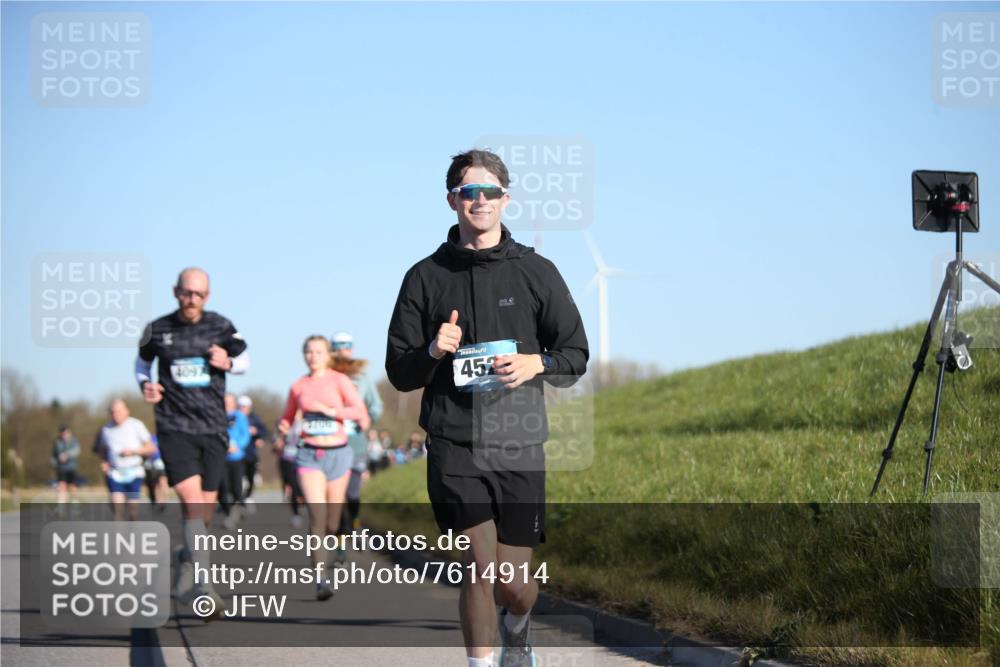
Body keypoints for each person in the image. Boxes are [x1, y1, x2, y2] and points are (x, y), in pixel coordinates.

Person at [386, 149, 588, 667]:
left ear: (506, 199)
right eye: (468, 192)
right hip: (454, 442)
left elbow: (575, 354)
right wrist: (433, 350)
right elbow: (400, 372)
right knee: (480, 567)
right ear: (451, 199)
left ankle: (517, 628)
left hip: (519, 439)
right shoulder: (424, 277)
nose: (480, 200)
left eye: (490, 191)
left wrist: (536, 363)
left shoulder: (536, 271)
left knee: (514, 584)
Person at [135, 267, 249, 620]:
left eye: (198, 294)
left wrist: (229, 362)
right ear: (176, 292)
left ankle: (187, 557)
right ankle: (204, 585)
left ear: (207, 296)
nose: (192, 299)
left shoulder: (221, 325)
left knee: (206, 511)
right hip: (174, 427)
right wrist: (145, 386)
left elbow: (245, 360)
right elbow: (142, 364)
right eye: (186, 293)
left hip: (212, 426)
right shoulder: (157, 329)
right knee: (192, 503)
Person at [278, 335, 369, 601]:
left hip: (338, 454)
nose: (313, 356)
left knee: (332, 522)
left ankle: (335, 545)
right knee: (317, 517)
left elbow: (358, 411)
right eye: (308, 352)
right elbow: (287, 417)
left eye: (318, 352)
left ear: (328, 355)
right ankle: (320, 579)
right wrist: (283, 427)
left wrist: (332, 412)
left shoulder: (339, 381)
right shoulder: (298, 386)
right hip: (309, 455)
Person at [330, 331, 384, 560]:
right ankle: (340, 543)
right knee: (337, 497)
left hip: (356, 443)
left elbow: (376, 405)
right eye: (337, 347)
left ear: (352, 349)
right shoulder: (326, 375)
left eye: (346, 346)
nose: (342, 351)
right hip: (331, 443)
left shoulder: (362, 376)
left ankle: (355, 522)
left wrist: (367, 419)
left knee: (352, 494)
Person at [97, 399, 156, 521]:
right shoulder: (106, 429)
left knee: (133, 510)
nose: (115, 415)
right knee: (117, 508)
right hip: (115, 472)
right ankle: (120, 531)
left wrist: (133, 452)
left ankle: (133, 528)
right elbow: (103, 449)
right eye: (113, 412)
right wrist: (104, 462)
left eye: (118, 412)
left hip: (134, 471)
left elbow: (151, 448)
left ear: (127, 411)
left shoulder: (137, 425)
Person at [220, 393, 251, 530]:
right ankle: (228, 513)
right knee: (223, 487)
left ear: (234, 403)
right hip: (221, 457)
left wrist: (236, 446)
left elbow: (245, 435)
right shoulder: (217, 415)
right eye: (225, 401)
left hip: (236, 457)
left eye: (229, 401)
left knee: (236, 488)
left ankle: (237, 509)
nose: (227, 404)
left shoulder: (240, 416)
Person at [237, 395, 268, 512]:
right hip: (237, 454)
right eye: (242, 406)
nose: (244, 409)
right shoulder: (234, 417)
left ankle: (248, 497)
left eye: (246, 407)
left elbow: (264, 431)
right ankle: (237, 499)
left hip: (250, 453)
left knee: (251, 477)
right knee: (237, 478)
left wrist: (258, 435)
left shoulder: (254, 418)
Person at [50, 425, 80, 510]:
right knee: (61, 485)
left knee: (72, 486)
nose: (64, 435)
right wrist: (54, 463)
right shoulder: (57, 442)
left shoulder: (74, 440)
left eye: (65, 433)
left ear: (69, 432)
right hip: (61, 468)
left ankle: (74, 504)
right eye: (62, 433)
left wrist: (67, 455)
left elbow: (77, 451)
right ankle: (61, 506)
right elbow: (54, 455)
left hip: (71, 467)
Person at [143, 435, 169, 513]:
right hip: (151, 464)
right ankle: (158, 501)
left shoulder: (164, 437)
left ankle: (162, 502)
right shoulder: (147, 438)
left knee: (162, 482)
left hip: (161, 463)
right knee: (155, 484)